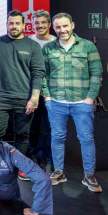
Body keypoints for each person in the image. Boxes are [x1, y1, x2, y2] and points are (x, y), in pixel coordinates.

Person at [42, 13, 103, 192]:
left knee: (86, 138)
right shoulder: (48, 48)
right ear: (54, 28)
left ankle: (89, 175)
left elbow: (97, 74)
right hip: (56, 102)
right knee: (57, 137)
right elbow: (42, 74)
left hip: (81, 103)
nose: (62, 30)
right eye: (58, 27)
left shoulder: (87, 47)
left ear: (73, 25)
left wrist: (90, 98)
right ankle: (59, 172)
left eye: (65, 26)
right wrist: (47, 97)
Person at [0, 9, 45, 180]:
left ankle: (19, 165)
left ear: (23, 25)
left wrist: (34, 98)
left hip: (24, 99)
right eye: (11, 23)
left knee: (22, 134)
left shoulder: (32, 46)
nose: (14, 26)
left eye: (17, 23)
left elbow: (38, 72)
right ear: (6, 24)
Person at [29, 9, 56, 172]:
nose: (40, 26)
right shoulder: (28, 42)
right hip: (32, 91)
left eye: (43, 22)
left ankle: (51, 158)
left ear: (49, 24)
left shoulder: (56, 42)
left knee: (51, 127)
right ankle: (35, 156)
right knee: (33, 126)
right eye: (37, 23)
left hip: (52, 93)